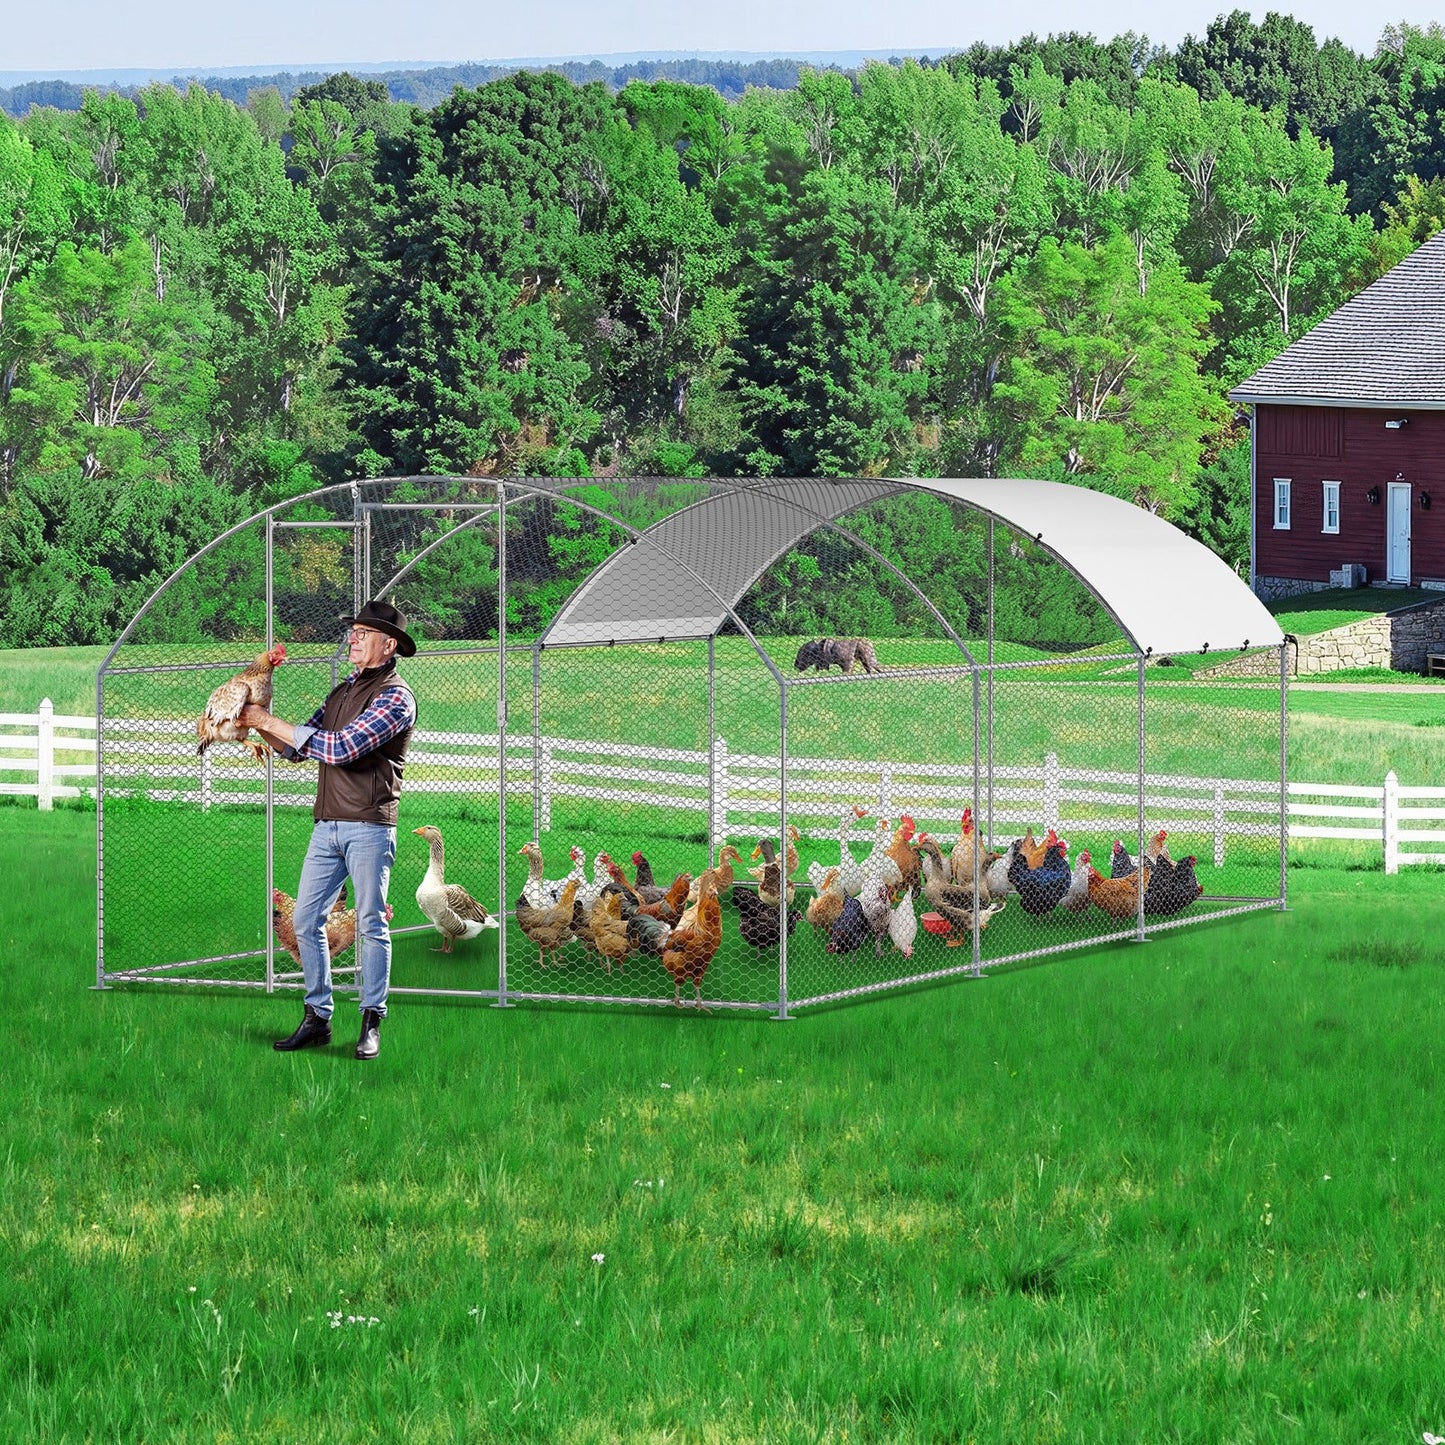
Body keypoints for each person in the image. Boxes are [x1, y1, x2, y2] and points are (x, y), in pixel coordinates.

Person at [240, 600, 418, 1061]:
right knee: (304, 921)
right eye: (353, 631)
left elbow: (340, 749)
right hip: (327, 826)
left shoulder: (396, 698)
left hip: (369, 826)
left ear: (389, 645)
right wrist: (250, 720)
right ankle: (318, 1017)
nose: (353, 638)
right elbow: (296, 748)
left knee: (371, 922)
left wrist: (265, 721)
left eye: (364, 632)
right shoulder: (341, 693)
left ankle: (372, 1019)